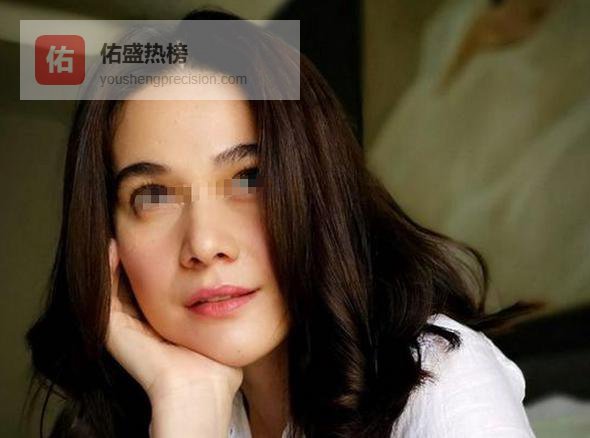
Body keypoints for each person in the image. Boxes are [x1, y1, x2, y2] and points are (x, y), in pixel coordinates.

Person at [24, 9, 538, 438]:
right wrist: (185, 406)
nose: (204, 243)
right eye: (153, 195)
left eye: (249, 178)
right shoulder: (152, 409)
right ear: (107, 237)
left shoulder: (439, 382)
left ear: (318, 188)